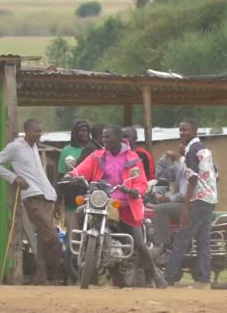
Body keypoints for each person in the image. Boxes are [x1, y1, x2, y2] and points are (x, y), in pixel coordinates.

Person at [65, 126, 167, 288]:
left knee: (139, 242)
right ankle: (86, 248)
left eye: (108, 137)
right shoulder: (98, 155)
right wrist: (72, 174)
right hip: (102, 200)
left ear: (119, 138)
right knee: (80, 212)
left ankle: (154, 273)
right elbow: (83, 168)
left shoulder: (132, 158)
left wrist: (135, 191)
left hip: (125, 204)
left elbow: (141, 181)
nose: (104, 141)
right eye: (103, 137)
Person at [0, 118, 64, 285]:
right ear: (27, 131)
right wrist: (14, 177)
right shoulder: (15, 147)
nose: (40, 133)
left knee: (43, 240)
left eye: (40, 130)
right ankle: (57, 272)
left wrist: (54, 197)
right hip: (32, 197)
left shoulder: (35, 146)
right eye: (37, 131)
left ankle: (41, 278)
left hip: (48, 197)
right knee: (53, 238)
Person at [164, 119, 218, 289]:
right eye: (180, 130)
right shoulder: (203, 149)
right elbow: (215, 174)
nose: (182, 133)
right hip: (209, 200)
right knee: (203, 242)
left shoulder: (191, 151)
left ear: (194, 130)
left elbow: (193, 179)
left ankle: (168, 279)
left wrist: (186, 207)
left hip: (197, 201)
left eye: (185, 130)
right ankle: (203, 280)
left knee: (181, 239)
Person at [55, 120, 98, 253]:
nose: (84, 133)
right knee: (73, 234)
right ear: (74, 133)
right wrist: (57, 201)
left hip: (91, 197)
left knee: (92, 233)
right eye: (80, 131)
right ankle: (73, 265)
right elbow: (61, 176)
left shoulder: (95, 148)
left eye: (86, 130)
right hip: (72, 198)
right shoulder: (67, 150)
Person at [152, 147, 188, 254]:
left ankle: (163, 249)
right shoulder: (180, 164)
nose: (181, 145)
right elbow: (161, 177)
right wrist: (164, 159)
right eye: (181, 142)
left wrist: (168, 199)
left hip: (191, 205)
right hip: (183, 203)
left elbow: (184, 195)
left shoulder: (190, 166)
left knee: (161, 209)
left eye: (185, 143)